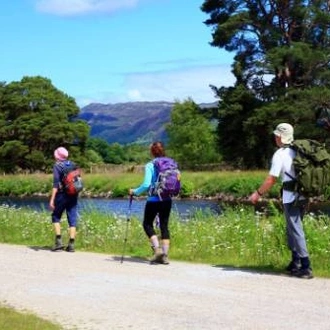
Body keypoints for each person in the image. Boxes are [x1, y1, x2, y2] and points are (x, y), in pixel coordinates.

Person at [249, 123, 313, 279]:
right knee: (292, 228)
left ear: (281, 137)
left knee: (295, 229)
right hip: (304, 195)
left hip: (291, 197)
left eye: (277, 135)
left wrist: (257, 194)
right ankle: (295, 262)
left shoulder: (280, 154)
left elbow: (271, 179)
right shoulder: (300, 151)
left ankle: (306, 266)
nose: (275, 137)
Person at [129, 141, 172, 265]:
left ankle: (157, 250)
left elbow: (146, 184)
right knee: (164, 226)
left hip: (153, 200)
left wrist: (134, 191)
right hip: (167, 199)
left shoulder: (150, 165)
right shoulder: (170, 164)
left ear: (152, 152)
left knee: (147, 224)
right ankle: (165, 256)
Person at [49, 147, 78, 252]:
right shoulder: (74, 164)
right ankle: (71, 245)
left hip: (62, 195)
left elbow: (56, 184)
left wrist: (52, 199)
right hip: (74, 195)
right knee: (72, 219)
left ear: (57, 156)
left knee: (55, 216)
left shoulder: (57, 166)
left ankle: (59, 242)